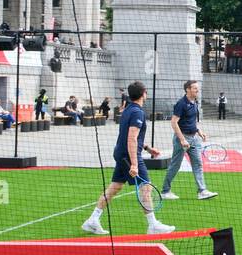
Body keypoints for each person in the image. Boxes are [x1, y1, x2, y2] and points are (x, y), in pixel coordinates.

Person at [83, 81, 172, 235]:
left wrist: (147, 148)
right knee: (146, 187)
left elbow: (130, 136)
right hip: (128, 155)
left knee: (115, 186)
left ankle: (93, 220)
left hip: (121, 152)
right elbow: (131, 138)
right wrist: (135, 164)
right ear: (144, 93)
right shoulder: (137, 112)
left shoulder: (128, 109)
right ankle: (152, 225)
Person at [161, 79, 217, 201]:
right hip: (182, 139)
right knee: (175, 165)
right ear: (188, 89)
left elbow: (192, 121)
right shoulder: (181, 104)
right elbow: (174, 122)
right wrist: (182, 140)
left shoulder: (195, 102)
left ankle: (202, 191)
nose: (197, 90)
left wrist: (199, 131)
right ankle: (165, 191)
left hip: (194, 138)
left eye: (197, 88)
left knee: (198, 164)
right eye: (195, 88)